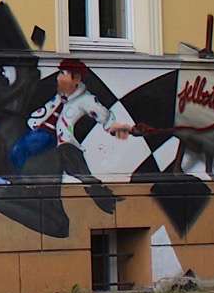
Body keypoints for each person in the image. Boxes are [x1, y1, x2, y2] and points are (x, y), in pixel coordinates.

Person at [14, 58, 134, 212]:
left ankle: (103, 197)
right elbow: (45, 111)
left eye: (63, 74)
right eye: (59, 73)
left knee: (75, 165)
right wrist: (33, 120)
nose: (58, 77)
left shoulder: (86, 100)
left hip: (59, 140)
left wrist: (116, 128)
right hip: (42, 132)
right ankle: (22, 183)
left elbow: (103, 115)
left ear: (76, 79)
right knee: (19, 149)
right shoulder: (59, 96)